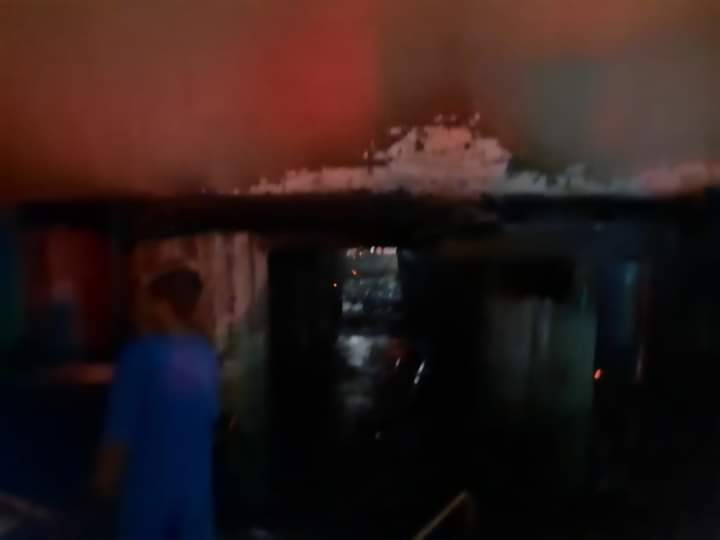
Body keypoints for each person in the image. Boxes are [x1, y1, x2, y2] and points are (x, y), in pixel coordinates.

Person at [94, 267, 220, 540]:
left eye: (148, 301)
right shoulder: (205, 355)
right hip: (195, 496)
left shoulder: (139, 356)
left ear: (162, 305)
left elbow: (120, 431)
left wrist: (104, 483)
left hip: (148, 496)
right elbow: (210, 419)